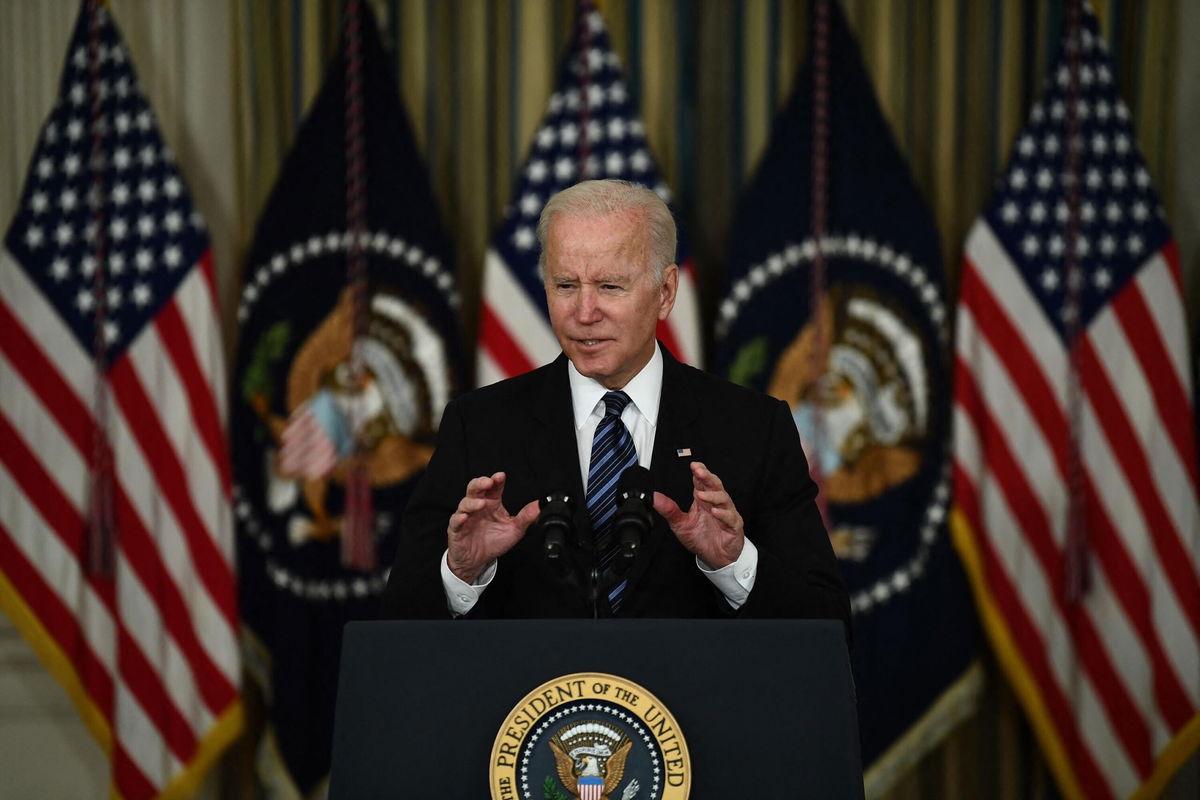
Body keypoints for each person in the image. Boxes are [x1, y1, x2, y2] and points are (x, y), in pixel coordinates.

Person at [380, 180, 849, 631]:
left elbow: (824, 622)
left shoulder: (751, 428)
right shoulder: (479, 425)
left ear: (665, 293)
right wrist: (460, 573)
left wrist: (732, 562)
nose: (584, 313)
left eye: (609, 287)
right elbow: (399, 623)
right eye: (565, 286)